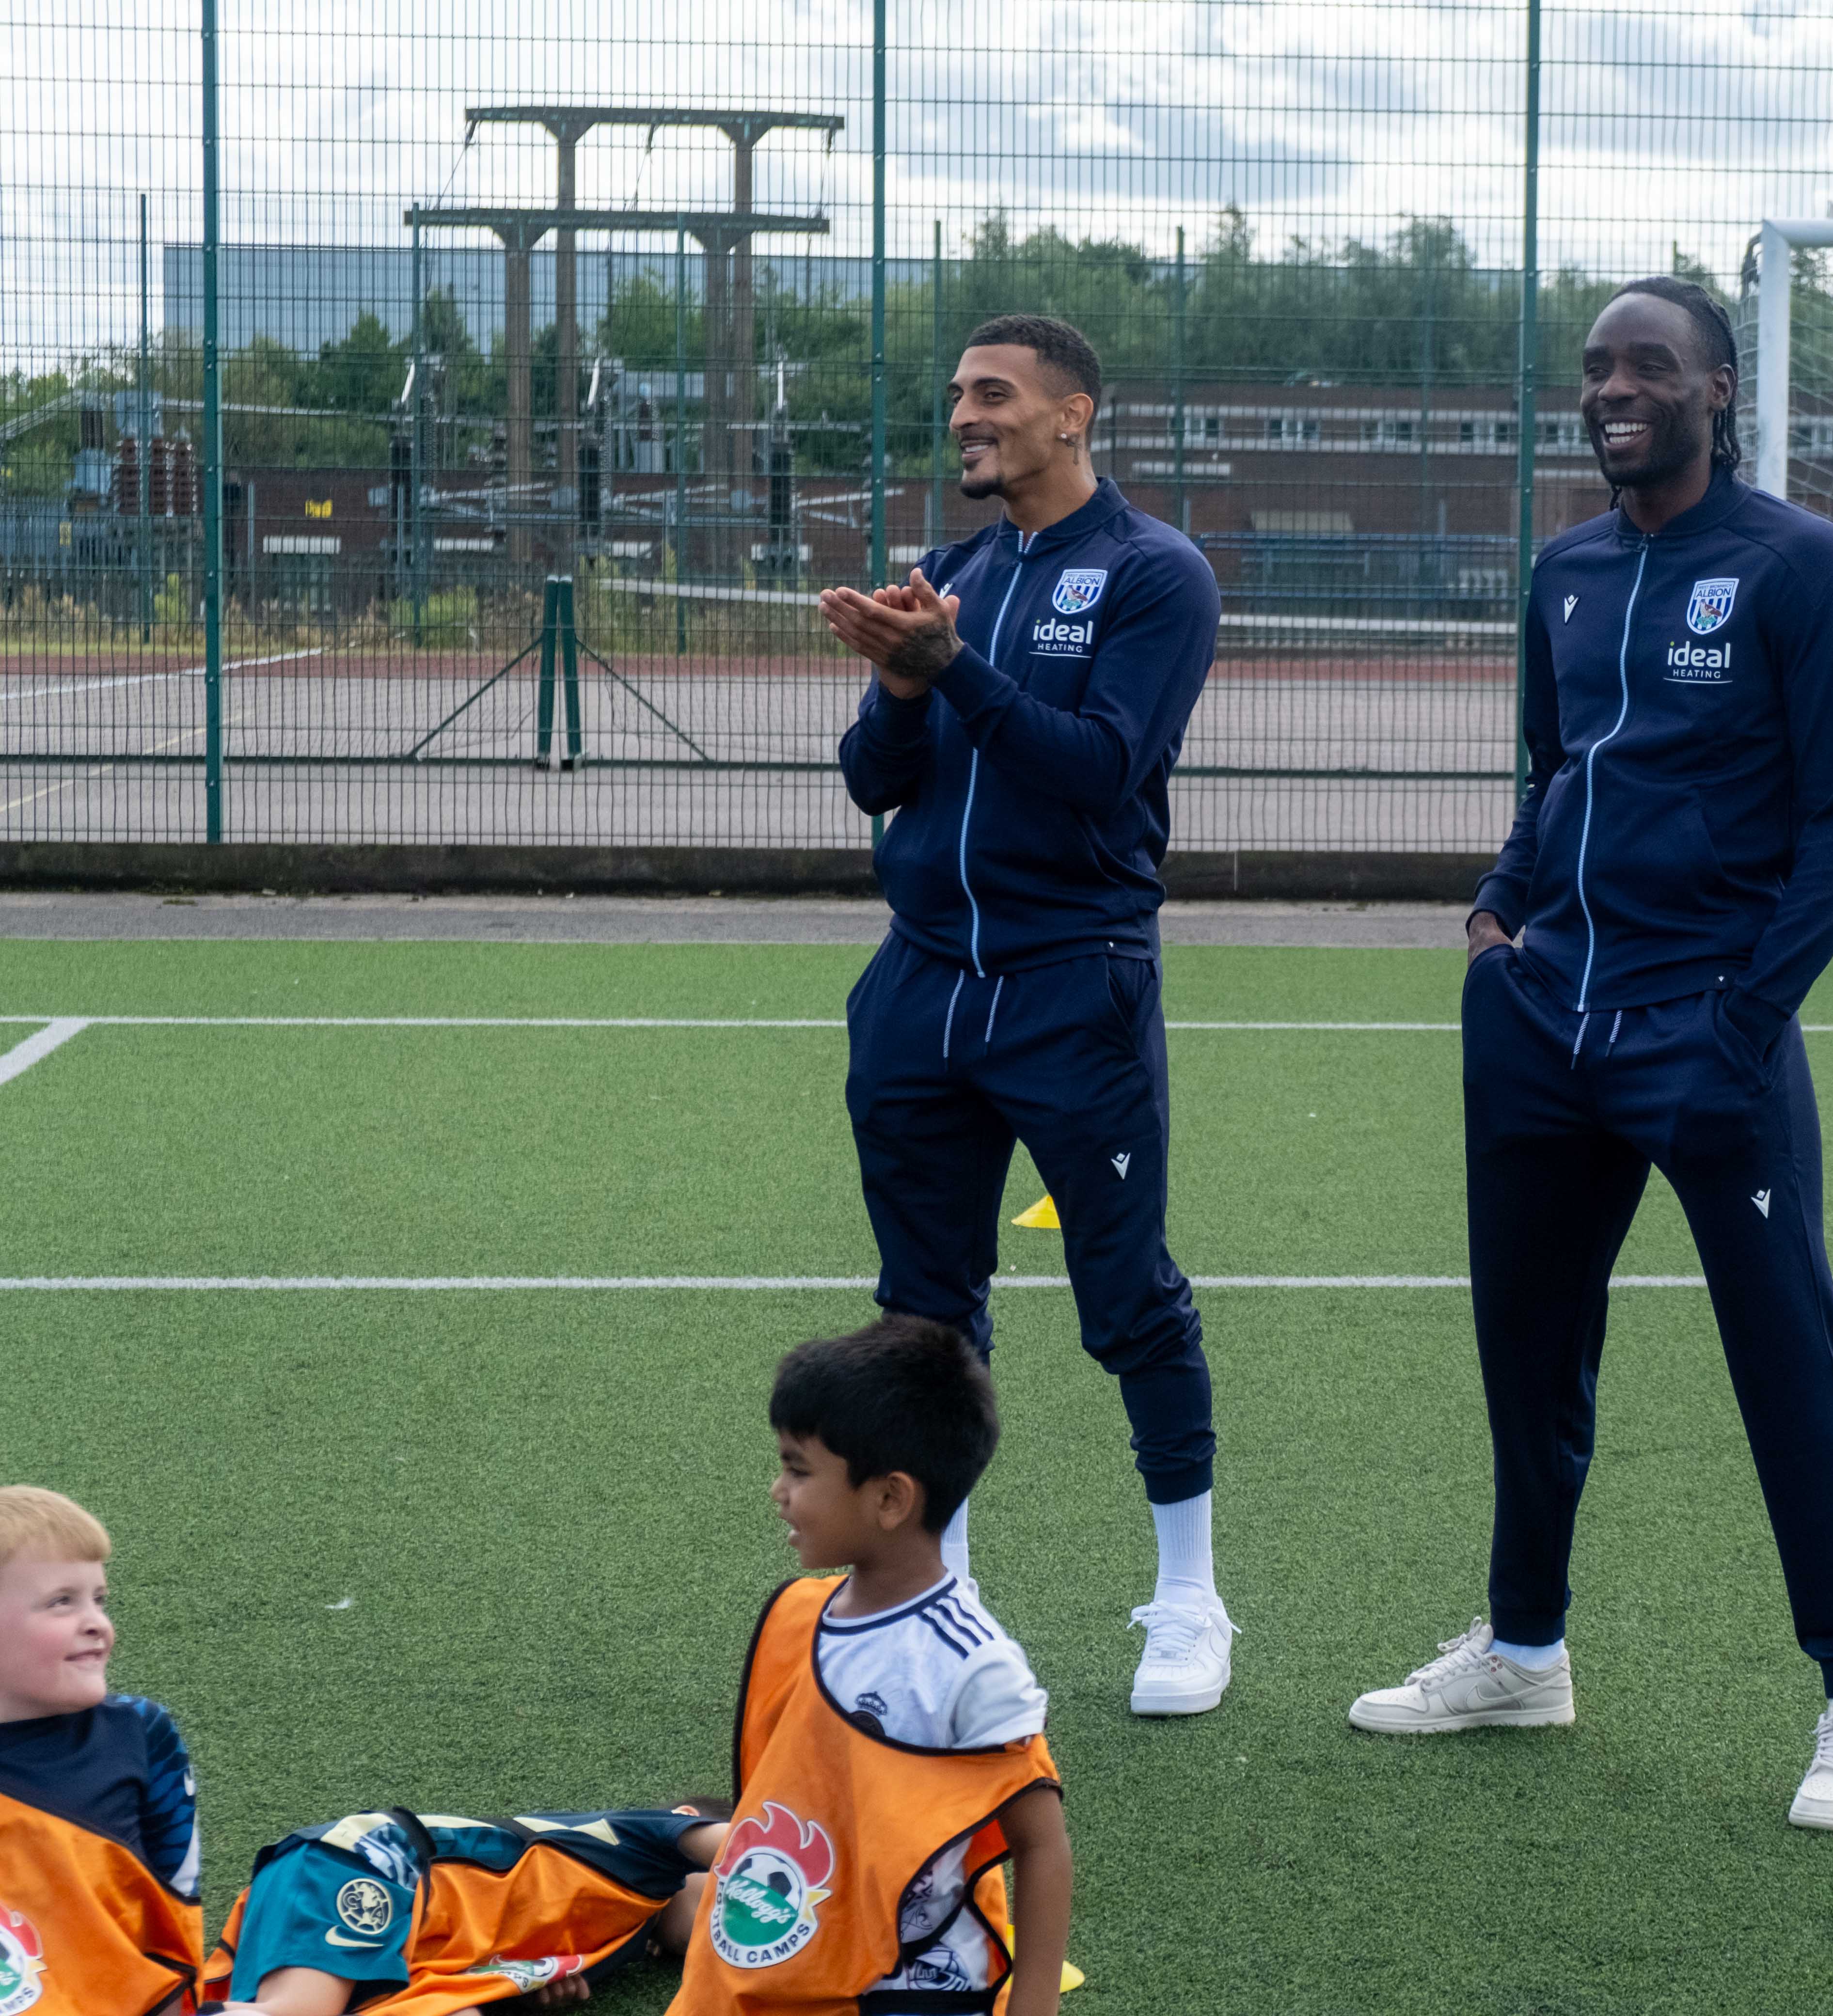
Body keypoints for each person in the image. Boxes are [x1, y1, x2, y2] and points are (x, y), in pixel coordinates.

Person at [1345, 276, 1833, 1831]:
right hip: (1542, 1020)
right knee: (1528, 1354)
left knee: (1788, 1358)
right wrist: (1495, 911)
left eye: (1648, 366)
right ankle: (1524, 1648)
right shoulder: (1571, 565)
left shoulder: (1799, 566)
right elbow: (1552, 769)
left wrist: (1744, 1018)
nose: (1614, 389)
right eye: (1597, 367)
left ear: (1717, 390)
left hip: (1705, 1029)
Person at [816, 313, 1234, 1718]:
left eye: (993, 396)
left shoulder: (1154, 573)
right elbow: (880, 783)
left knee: (1129, 1301)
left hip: (1074, 989)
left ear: (1075, 415)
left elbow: (1100, 773)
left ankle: (1188, 1600)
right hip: (922, 988)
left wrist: (956, 673)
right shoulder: (953, 578)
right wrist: (894, 680)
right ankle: (943, 1603)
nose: (965, 419)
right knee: (924, 1316)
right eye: (955, 398)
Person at [670, 1316, 1072, 2015]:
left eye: (799, 1470)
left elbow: (1042, 1846)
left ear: (890, 1499)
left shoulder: (972, 1664)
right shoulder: (803, 1613)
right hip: (809, 1949)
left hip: (919, 1986)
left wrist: (1034, 2005)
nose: (779, 1490)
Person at [204, 1799, 726, 2013]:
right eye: (734, 1888)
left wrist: (526, 1990)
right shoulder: (647, 1845)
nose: (742, 1909)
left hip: (409, 1964)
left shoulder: (628, 1940)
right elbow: (751, 1842)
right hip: (378, 1863)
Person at [0, 1485, 202, 2016]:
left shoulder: (141, 1731)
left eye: (99, 1597)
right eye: (61, 1601)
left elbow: (177, 1906)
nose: (97, 1622)